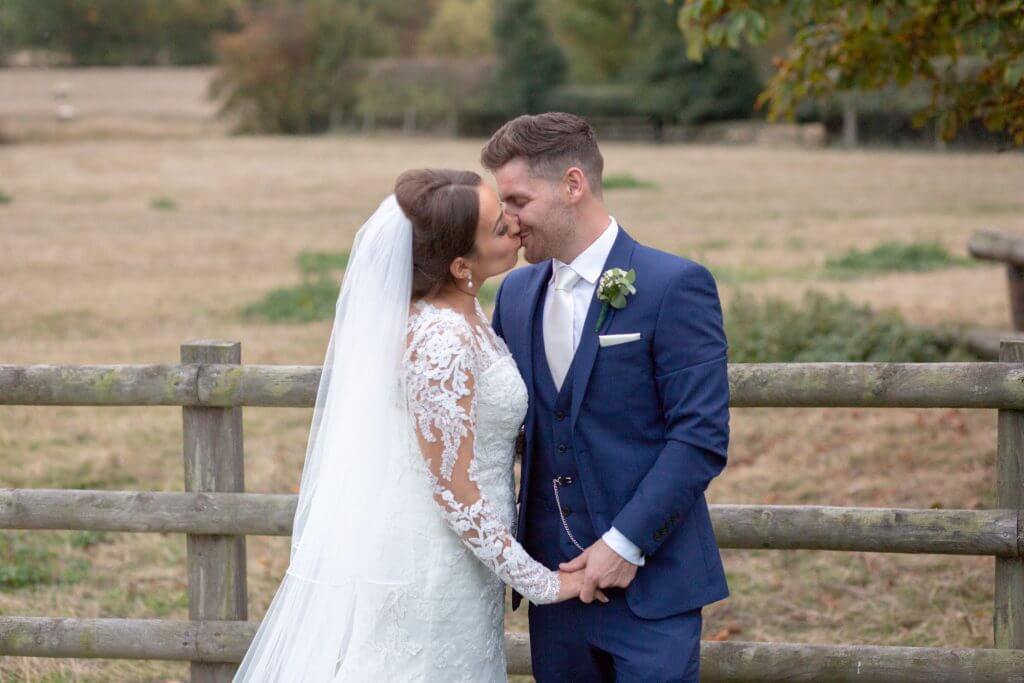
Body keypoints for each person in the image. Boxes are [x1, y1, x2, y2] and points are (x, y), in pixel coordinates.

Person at [232, 168, 603, 682]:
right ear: (458, 265)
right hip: (435, 563)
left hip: (466, 560)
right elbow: (452, 488)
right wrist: (541, 583)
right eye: (498, 228)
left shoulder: (466, 318)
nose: (515, 229)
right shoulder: (442, 339)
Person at [484, 112, 731, 682]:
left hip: (654, 589)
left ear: (573, 185)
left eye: (518, 200)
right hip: (555, 592)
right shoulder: (516, 294)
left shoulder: (675, 285)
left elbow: (700, 437)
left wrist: (624, 545)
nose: (508, 219)